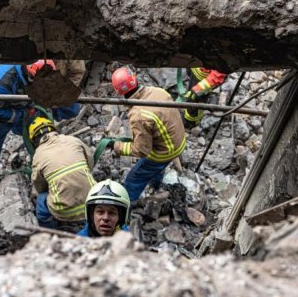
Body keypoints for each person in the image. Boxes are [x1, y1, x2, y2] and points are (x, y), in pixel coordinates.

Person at [0, 60, 62, 186]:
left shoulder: (34, 69)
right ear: (30, 75)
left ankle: (41, 164)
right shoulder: (3, 83)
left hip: (21, 106)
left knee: (34, 136)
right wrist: (22, 115)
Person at [107, 67, 187, 202]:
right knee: (157, 167)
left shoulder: (138, 115)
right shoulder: (158, 91)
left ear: (118, 92)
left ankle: (126, 203)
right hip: (178, 141)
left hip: (165, 152)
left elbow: (142, 150)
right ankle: (155, 184)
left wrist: (116, 146)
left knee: (134, 178)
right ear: (135, 78)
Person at [29, 116, 96, 230]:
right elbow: (90, 161)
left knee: (41, 200)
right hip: (93, 201)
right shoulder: (72, 140)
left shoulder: (38, 155)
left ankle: (50, 232)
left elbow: (40, 186)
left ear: (35, 139)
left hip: (64, 211)